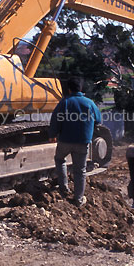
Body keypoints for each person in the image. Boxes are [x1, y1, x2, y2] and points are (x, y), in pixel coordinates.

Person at [48, 77, 102, 206]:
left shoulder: (64, 102)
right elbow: (98, 120)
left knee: (60, 159)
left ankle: (64, 188)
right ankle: (78, 199)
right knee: (80, 170)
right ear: (81, 88)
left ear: (69, 89)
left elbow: (55, 121)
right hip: (82, 142)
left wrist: (52, 135)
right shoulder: (89, 103)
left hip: (65, 141)